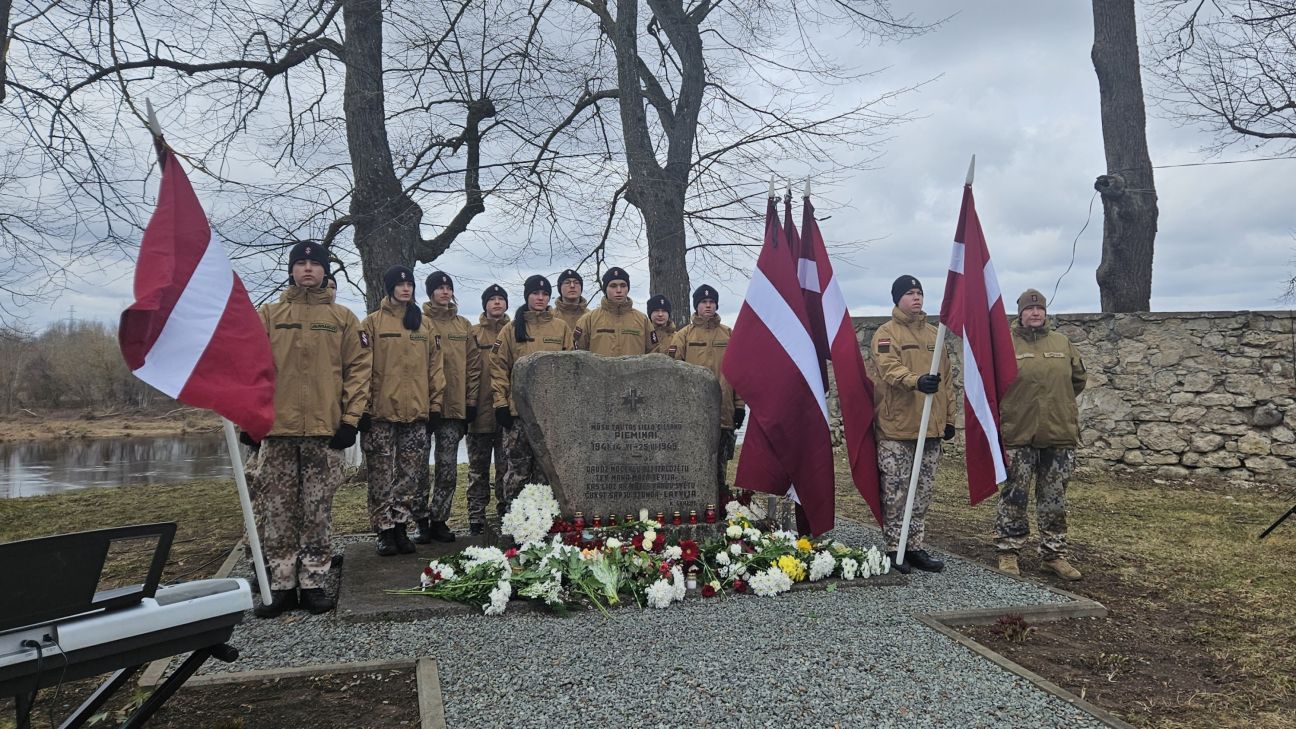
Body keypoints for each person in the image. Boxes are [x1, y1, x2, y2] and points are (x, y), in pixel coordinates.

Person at [248, 241, 370, 617]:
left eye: (313, 264)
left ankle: (313, 581)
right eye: (300, 263)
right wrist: (249, 420)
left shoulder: (343, 319)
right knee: (278, 509)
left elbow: (359, 371)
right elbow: (250, 370)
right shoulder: (269, 315)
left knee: (317, 510)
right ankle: (282, 583)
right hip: (278, 431)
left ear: (323, 271)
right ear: (291, 269)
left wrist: (350, 421)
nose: (306, 269)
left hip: (323, 431)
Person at [995, 289, 1087, 580]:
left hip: (1058, 432)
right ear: (1020, 313)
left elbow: (1078, 379)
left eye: (1040, 309)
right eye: (1029, 309)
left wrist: (1055, 404)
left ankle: (1054, 555)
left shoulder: (1062, 343)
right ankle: (1009, 551)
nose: (1035, 313)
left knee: (1054, 498)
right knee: (1014, 496)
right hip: (1019, 431)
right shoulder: (1005, 345)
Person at [870, 275, 956, 574]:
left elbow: (947, 380)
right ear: (897, 299)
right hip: (898, 428)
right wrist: (916, 381)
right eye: (909, 293)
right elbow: (888, 369)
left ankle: (915, 546)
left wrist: (949, 419)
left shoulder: (936, 334)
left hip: (929, 428)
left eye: (919, 293)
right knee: (896, 493)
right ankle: (895, 548)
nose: (916, 298)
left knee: (921, 493)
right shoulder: (885, 333)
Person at [360, 266, 444, 557]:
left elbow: (436, 369)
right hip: (381, 414)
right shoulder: (372, 323)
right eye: (400, 284)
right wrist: (364, 409)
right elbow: (362, 370)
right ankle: (383, 530)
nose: (405, 288)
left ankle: (400, 526)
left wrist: (434, 407)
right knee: (381, 476)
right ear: (389, 288)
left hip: (416, 413)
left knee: (409, 476)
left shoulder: (424, 325)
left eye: (409, 284)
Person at [490, 274, 572, 508]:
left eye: (545, 294)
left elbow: (569, 369)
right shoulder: (511, 329)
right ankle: (514, 517)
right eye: (535, 293)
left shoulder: (560, 328)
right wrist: (501, 404)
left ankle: (544, 519)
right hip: (519, 414)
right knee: (518, 469)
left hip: (550, 414)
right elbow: (498, 368)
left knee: (546, 471)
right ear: (527, 295)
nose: (540, 298)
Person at [419, 271, 482, 540]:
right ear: (430, 292)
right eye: (439, 288)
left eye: (448, 287)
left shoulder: (463, 326)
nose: (444, 292)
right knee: (418, 470)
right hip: (422, 409)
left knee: (447, 469)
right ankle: (420, 520)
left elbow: (474, 367)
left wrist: (470, 403)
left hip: (453, 408)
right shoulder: (418, 323)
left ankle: (439, 519)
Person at [668, 285, 744, 501]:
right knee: (692, 464)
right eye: (703, 302)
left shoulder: (729, 334)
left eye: (711, 302)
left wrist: (739, 406)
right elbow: (672, 374)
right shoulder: (683, 336)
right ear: (696, 306)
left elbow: (739, 373)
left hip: (724, 411)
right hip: (692, 414)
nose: (708, 305)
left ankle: (720, 509)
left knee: (720, 467)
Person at [466, 284, 511, 520]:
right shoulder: (473, 333)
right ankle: (476, 515)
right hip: (480, 409)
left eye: (501, 299)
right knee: (477, 469)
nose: (497, 303)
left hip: (505, 411)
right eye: (492, 299)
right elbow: (470, 370)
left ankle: (505, 512)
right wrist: (469, 403)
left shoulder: (515, 331)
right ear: (484, 304)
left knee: (506, 468)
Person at [574, 267, 652, 356]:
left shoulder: (642, 320)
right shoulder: (588, 319)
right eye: (613, 286)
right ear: (605, 289)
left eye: (623, 286)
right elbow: (578, 354)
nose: (619, 290)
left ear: (628, 288)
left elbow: (654, 352)